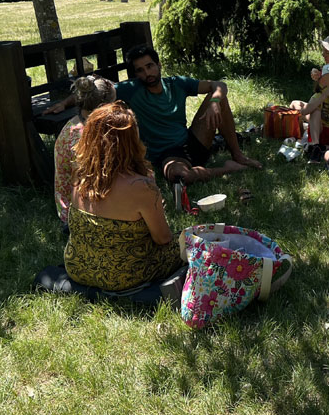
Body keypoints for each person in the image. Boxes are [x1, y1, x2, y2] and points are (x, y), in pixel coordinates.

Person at [45, 45, 261, 185]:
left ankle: (237, 155)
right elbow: (95, 91)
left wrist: (214, 102)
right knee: (181, 177)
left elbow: (219, 84)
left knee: (219, 98)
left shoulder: (176, 84)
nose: (147, 73)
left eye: (150, 66)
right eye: (140, 70)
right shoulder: (132, 89)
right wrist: (64, 103)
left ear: (159, 65)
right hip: (168, 156)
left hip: (193, 141)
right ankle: (225, 169)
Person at [64, 102, 183, 291]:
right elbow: (163, 239)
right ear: (130, 141)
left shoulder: (80, 174)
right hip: (124, 276)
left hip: (78, 268)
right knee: (190, 241)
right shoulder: (141, 186)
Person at [54, 75, 116, 226]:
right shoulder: (93, 138)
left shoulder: (71, 126)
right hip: (86, 218)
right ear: (105, 106)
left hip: (68, 213)